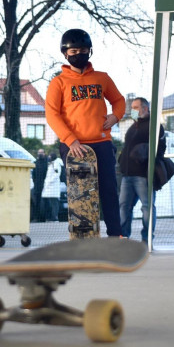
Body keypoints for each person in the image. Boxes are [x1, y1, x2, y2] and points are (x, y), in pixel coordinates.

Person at [45, 28, 126, 237]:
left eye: (82, 50)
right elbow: (52, 115)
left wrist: (116, 116)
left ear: (89, 51)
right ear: (65, 53)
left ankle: (116, 235)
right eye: (73, 51)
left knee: (108, 191)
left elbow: (119, 100)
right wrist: (71, 141)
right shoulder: (58, 83)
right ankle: (83, 236)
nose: (77, 54)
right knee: (80, 194)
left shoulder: (102, 78)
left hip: (102, 143)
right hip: (75, 148)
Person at [117, 97, 165, 245]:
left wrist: (147, 157)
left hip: (143, 175)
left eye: (136, 107)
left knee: (147, 207)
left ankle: (147, 238)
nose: (133, 110)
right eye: (132, 107)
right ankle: (124, 237)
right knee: (124, 206)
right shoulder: (134, 126)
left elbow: (161, 148)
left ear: (145, 108)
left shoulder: (154, 126)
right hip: (128, 175)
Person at [40, 152, 64, 222]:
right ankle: (50, 217)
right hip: (49, 187)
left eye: (50, 156)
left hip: (53, 187)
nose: (49, 158)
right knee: (49, 202)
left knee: (54, 202)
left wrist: (49, 181)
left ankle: (55, 217)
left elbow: (56, 174)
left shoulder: (56, 164)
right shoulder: (51, 164)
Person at [31, 148, 48, 222]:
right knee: (36, 202)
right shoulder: (35, 163)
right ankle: (36, 218)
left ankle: (46, 217)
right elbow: (33, 175)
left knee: (46, 202)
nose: (40, 154)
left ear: (44, 153)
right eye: (39, 153)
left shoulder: (47, 163)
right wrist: (35, 183)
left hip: (46, 186)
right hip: (37, 186)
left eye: (41, 152)